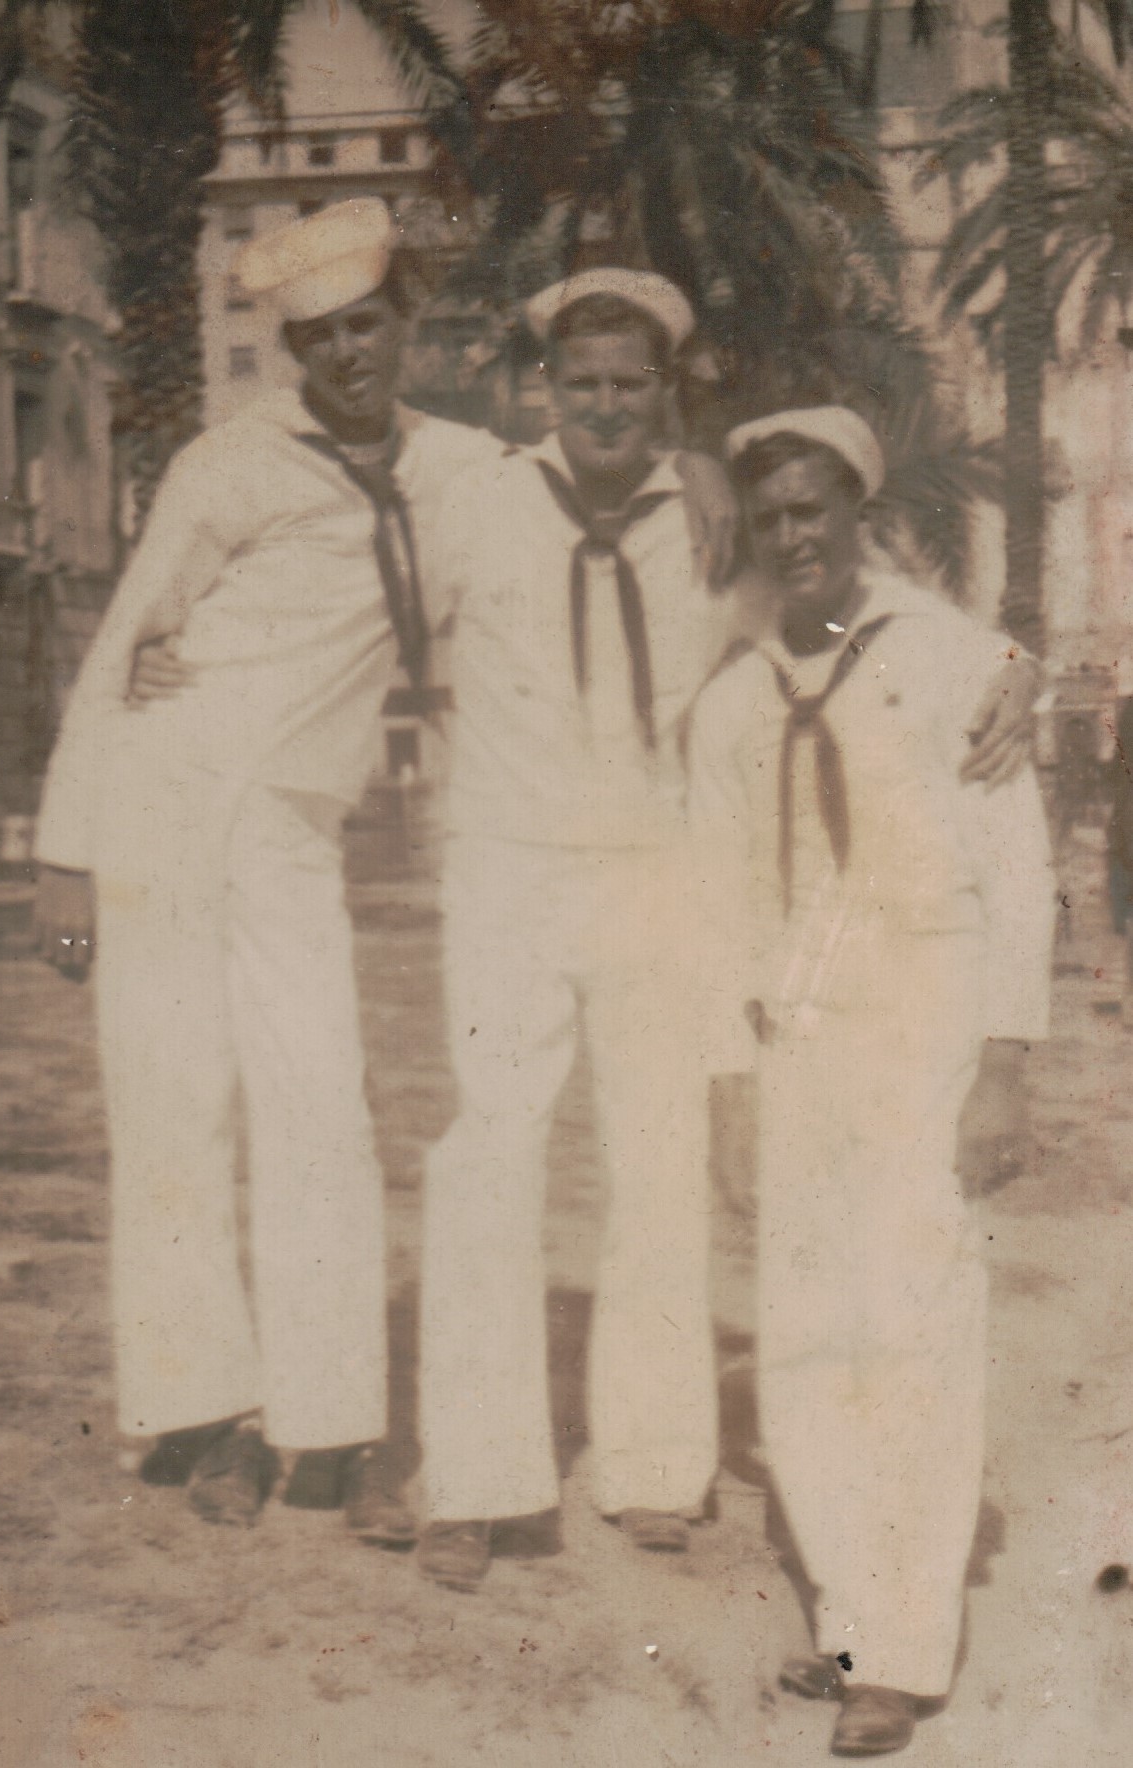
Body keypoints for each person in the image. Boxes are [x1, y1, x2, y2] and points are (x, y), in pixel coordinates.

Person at [411, 288, 1041, 1597]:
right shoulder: (473, 497)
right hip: (506, 872)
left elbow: (867, 599)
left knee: (658, 1156)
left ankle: (653, 1462)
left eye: (629, 388)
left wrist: (1013, 666)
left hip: (653, 872)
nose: (601, 406)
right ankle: (474, 1480)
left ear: (665, 394)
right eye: (578, 383)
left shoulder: (713, 527)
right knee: (488, 1154)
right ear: (542, 386)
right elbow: (357, 578)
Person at [31, 197, 514, 1534]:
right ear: (293, 353)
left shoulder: (466, 468)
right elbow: (128, 642)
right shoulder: (227, 464)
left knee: (321, 1113)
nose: (350, 351)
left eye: (368, 322)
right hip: (159, 814)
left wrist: (696, 470)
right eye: (320, 336)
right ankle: (205, 1415)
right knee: (175, 1117)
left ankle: (331, 1428)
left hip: (291, 835)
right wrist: (66, 864)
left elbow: (576, 528)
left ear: (404, 322)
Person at [688, 408, 1056, 1757]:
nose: (793, 538)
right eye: (768, 516)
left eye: (812, 511)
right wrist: (729, 1089)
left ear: (857, 517)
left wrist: (1001, 1072)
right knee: (801, 1338)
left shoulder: (957, 659)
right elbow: (718, 911)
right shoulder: (732, 697)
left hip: (926, 1021)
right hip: (796, 1039)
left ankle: (898, 1653)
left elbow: (1018, 874)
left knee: (911, 1328)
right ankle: (846, 1623)